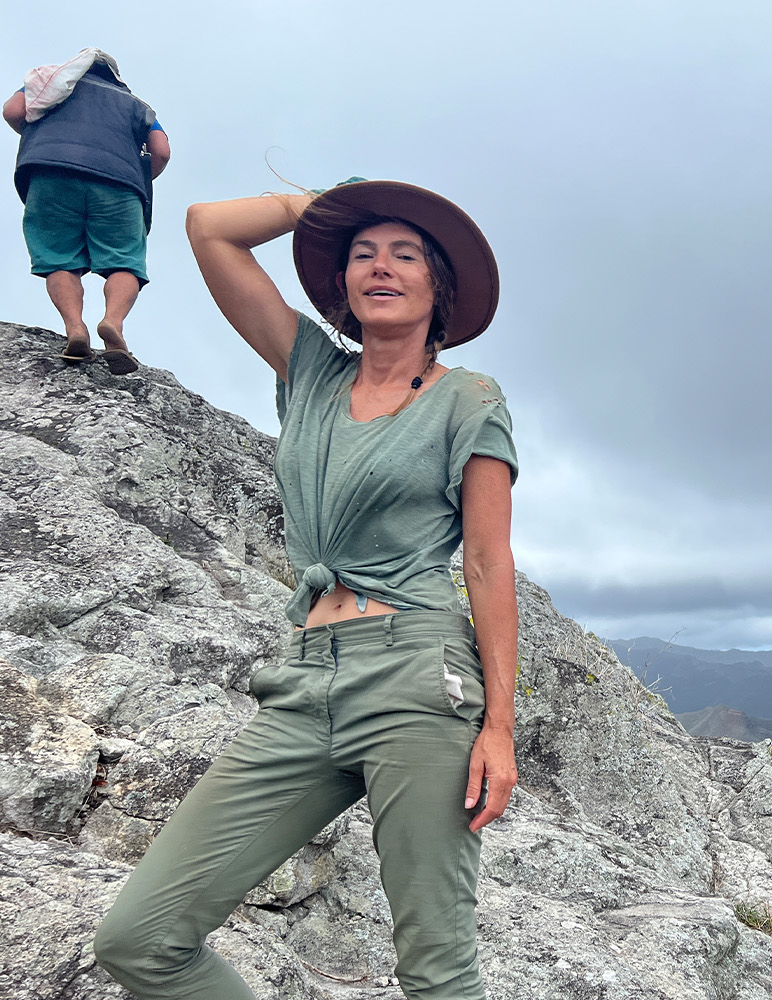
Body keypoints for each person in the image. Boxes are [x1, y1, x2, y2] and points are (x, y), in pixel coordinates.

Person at [92, 179, 519, 1000]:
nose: (380, 267)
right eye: (363, 256)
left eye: (405, 255)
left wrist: (500, 726)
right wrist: (318, 211)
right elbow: (208, 229)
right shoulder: (312, 371)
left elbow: (487, 562)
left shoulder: (470, 398)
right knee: (140, 938)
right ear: (341, 287)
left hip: (418, 679)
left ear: (440, 288)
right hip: (304, 678)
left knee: (437, 971)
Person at [3, 49, 170, 374]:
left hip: (51, 173)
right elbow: (160, 149)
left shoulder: (47, 84)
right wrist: (134, 174)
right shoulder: (135, 105)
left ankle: (75, 328)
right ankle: (113, 323)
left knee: (59, 257)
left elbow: (12, 111)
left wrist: (43, 136)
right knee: (124, 259)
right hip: (119, 184)